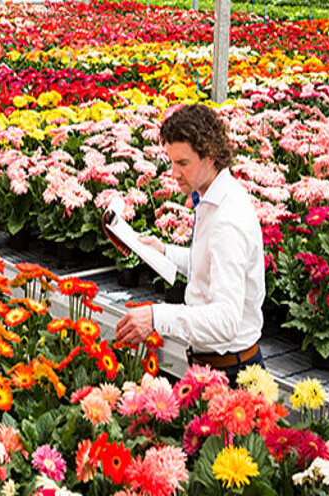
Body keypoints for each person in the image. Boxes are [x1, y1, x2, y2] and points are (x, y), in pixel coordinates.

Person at [114, 104, 265, 386]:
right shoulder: (212, 198)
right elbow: (209, 264)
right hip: (216, 366)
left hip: (232, 375)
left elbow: (225, 320)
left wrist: (156, 316)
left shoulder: (227, 220)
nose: (174, 173)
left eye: (182, 163)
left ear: (210, 156)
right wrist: (164, 252)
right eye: (171, 162)